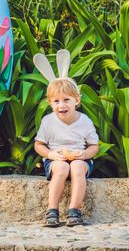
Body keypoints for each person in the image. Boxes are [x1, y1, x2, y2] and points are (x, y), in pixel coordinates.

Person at [34, 78, 99, 227]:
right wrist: (50, 154)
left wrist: (85, 154)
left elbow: (94, 146)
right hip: (56, 158)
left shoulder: (85, 121)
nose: (61, 105)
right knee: (62, 168)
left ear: (76, 100)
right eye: (56, 101)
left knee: (76, 167)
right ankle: (52, 210)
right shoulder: (48, 121)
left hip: (80, 158)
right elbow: (39, 145)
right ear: (50, 103)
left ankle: (74, 210)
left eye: (66, 100)